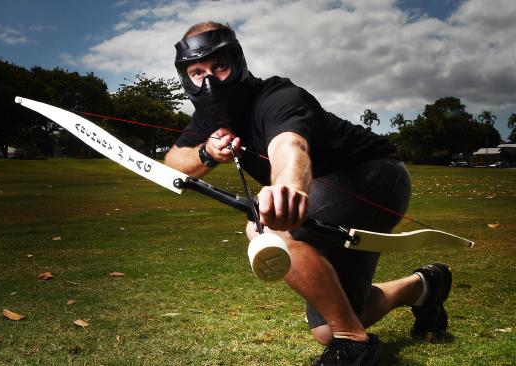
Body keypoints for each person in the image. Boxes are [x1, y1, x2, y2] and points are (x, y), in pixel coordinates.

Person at [165, 21, 452, 366]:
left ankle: (357, 347)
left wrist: (288, 188)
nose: (209, 80)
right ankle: (424, 287)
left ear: (236, 61)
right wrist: (207, 154)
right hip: (330, 200)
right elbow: (174, 162)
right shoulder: (209, 119)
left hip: (374, 177)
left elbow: (290, 145)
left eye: (219, 67)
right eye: (197, 72)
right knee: (326, 329)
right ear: (186, 76)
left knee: (265, 228)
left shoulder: (278, 97)